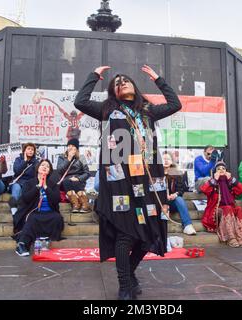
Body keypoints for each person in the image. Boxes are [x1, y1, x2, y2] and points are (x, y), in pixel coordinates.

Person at [74, 64, 182, 300]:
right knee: (126, 234)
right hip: (120, 182)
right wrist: (94, 76)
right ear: (113, 91)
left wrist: (158, 79)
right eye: (117, 82)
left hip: (150, 180)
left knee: (150, 233)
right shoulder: (107, 109)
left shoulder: (148, 110)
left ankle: (130, 276)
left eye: (126, 80)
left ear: (134, 86)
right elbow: (80, 102)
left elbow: (175, 104)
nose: (122, 82)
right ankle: (125, 285)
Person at [13, 159, 64, 257]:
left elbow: (56, 200)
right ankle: (22, 245)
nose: (45, 167)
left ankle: (45, 239)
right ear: (38, 168)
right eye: (42, 165)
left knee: (57, 218)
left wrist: (45, 187)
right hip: (34, 212)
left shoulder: (53, 184)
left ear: (49, 171)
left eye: (47, 166)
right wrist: (38, 186)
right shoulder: (29, 183)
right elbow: (26, 198)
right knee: (32, 219)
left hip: (49, 212)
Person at [200, 161, 242, 248]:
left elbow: (241, 190)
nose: (221, 170)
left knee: (239, 209)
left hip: (230, 208)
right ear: (215, 172)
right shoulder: (213, 182)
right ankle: (230, 238)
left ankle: (241, 237)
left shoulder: (230, 182)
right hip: (216, 210)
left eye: (223, 168)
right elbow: (204, 189)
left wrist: (231, 179)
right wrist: (214, 179)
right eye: (218, 169)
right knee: (227, 208)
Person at [162, 152, 197, 235]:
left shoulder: (176, 174)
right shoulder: (156, 173)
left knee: (179, 199)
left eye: (168, 159)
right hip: (160, 202)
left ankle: (187, 225)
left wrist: (175, 194)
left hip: (171, 202)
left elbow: (181, 190)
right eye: (164, 159)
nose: (166, 161)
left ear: (172, 161)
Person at [55, 139, 91, 213]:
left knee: (74, 182)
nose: (70, 148)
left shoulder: (81, 157)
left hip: (78, 181)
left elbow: (87, 173)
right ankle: (77, 203)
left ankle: (82, 204)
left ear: (77, 149)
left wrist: (78, 178)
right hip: (65, 181)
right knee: (67, 181)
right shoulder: (61, 157)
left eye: (73, 146)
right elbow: (59, 171)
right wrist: (68, 159)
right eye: (69, 146)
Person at [9, 143, 39, 216]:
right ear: (24, 150)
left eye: (32, 149)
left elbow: (35, 175)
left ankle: (24, 208)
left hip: (29, 183)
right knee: (16, 187)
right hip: (18, 181)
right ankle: (13, 208)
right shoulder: (18, 159)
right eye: (28, 149)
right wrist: (24, 161)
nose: (30, 151)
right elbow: (17, 171)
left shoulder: (36, 162)